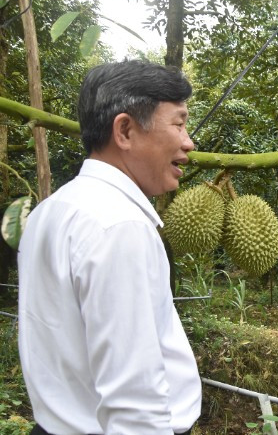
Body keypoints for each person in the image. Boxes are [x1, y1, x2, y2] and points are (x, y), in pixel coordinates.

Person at [17, 60, 201, 435]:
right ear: (125, 130)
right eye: (179, 124)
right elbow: (135, 404)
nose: (188, 142)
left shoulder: (49, 212)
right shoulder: (120, 225)